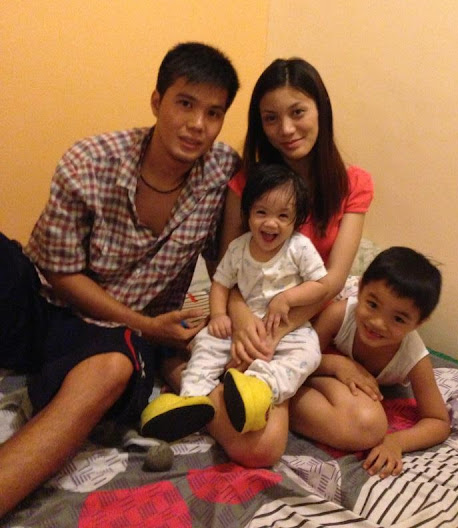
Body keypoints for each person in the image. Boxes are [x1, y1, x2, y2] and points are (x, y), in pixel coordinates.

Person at [0, 41, 240, 518]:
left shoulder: (222, 174)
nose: (197, 124)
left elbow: (235, 262)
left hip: (112, 338)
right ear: (157, 101)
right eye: (185, 103)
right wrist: (146, 324)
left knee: (113, 368)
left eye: (214, 113)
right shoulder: (90, 162)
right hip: (46, 301)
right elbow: (59, 272)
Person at [161, 57, 375, 470]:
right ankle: (181, 374)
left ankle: (253, 390)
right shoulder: (247, 183)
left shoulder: (353, 184)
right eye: (271, 118)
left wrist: (280, 336)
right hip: (251, 320)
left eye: (298, 112)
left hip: (305, 328)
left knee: (366, 424)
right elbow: (229, 270)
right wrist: (245, 324)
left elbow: (332, 281)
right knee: (260, 448)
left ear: (320, 110)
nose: (286, 129)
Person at [141, 163, 330, 442]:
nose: (270, 223)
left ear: (296, 220)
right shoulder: (238, 247)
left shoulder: (299, 247)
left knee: (308, 353)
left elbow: (321, 286)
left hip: (287, 329)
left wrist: (287, 298)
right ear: (248, 213)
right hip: (240, 325)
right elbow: (221, 283)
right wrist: (218, 314)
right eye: (261, 212)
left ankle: (259, 388)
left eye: (283, 216)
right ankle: (190, 398)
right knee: (206, 344)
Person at [290, 247, 450, 478]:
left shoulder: (414, 357)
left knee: (366, 426)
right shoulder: (340, 315)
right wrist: (337, 365)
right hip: (315, 371)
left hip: (339, 394)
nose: (377, 323)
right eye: (373, 305)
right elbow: (297, 358)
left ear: (419, 323)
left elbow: (438, 421)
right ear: (361, 288)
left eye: (398, 319)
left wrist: (396, 442)